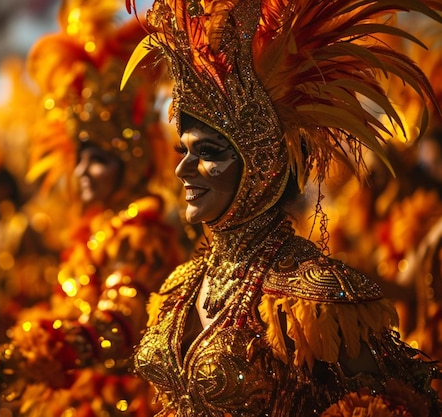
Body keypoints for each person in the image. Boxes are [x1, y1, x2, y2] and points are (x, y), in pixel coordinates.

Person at [121, 0, 442, 415]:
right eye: (182, 149)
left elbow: (401, 405)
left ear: (261, 165)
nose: (183, 168)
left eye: (207, 152)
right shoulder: (180, 286)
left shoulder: (314, 300)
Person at [0, 0, 187, 416]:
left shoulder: (144, 229)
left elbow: (120, 325)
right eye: (79, 157)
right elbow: (73, 309)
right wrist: (13, 330)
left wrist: (36, 354)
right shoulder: (100, 226)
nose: (81, 171)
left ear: (130, 159)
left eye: (97, 158)